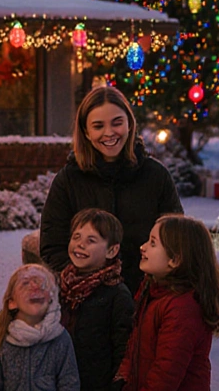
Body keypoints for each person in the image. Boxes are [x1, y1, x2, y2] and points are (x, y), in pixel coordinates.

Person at [40, 86, 183, 295]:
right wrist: (88, 284)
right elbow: (52, 245)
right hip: (88, 303)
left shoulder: (156, 175)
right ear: (86, 132)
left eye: (117, 123)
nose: (109, 133)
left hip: (145, 296)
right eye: (98, 126)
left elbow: (175, 238)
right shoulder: (68, 180)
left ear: (129, 124)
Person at [115, 215, 219, 391]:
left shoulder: (182, 308)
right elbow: (135, 346)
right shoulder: (153, 290)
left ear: (175, 260)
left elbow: (165, 375)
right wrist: (123, 378)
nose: (143, 247)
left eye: (152, 243)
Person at [59, 209, 134, 391]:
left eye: (91, 240)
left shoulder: (116, 294)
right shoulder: (59, 287)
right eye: (76, 237)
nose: (80, 244)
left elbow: (123, 350)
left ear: (112, 250)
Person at [0, 264, 81, 391]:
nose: (35, 287)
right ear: (12, 302)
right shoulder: (0, 341)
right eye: (25, 283)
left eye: (43, 285)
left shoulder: (60, 338)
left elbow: (70, 383)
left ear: (52, 299)